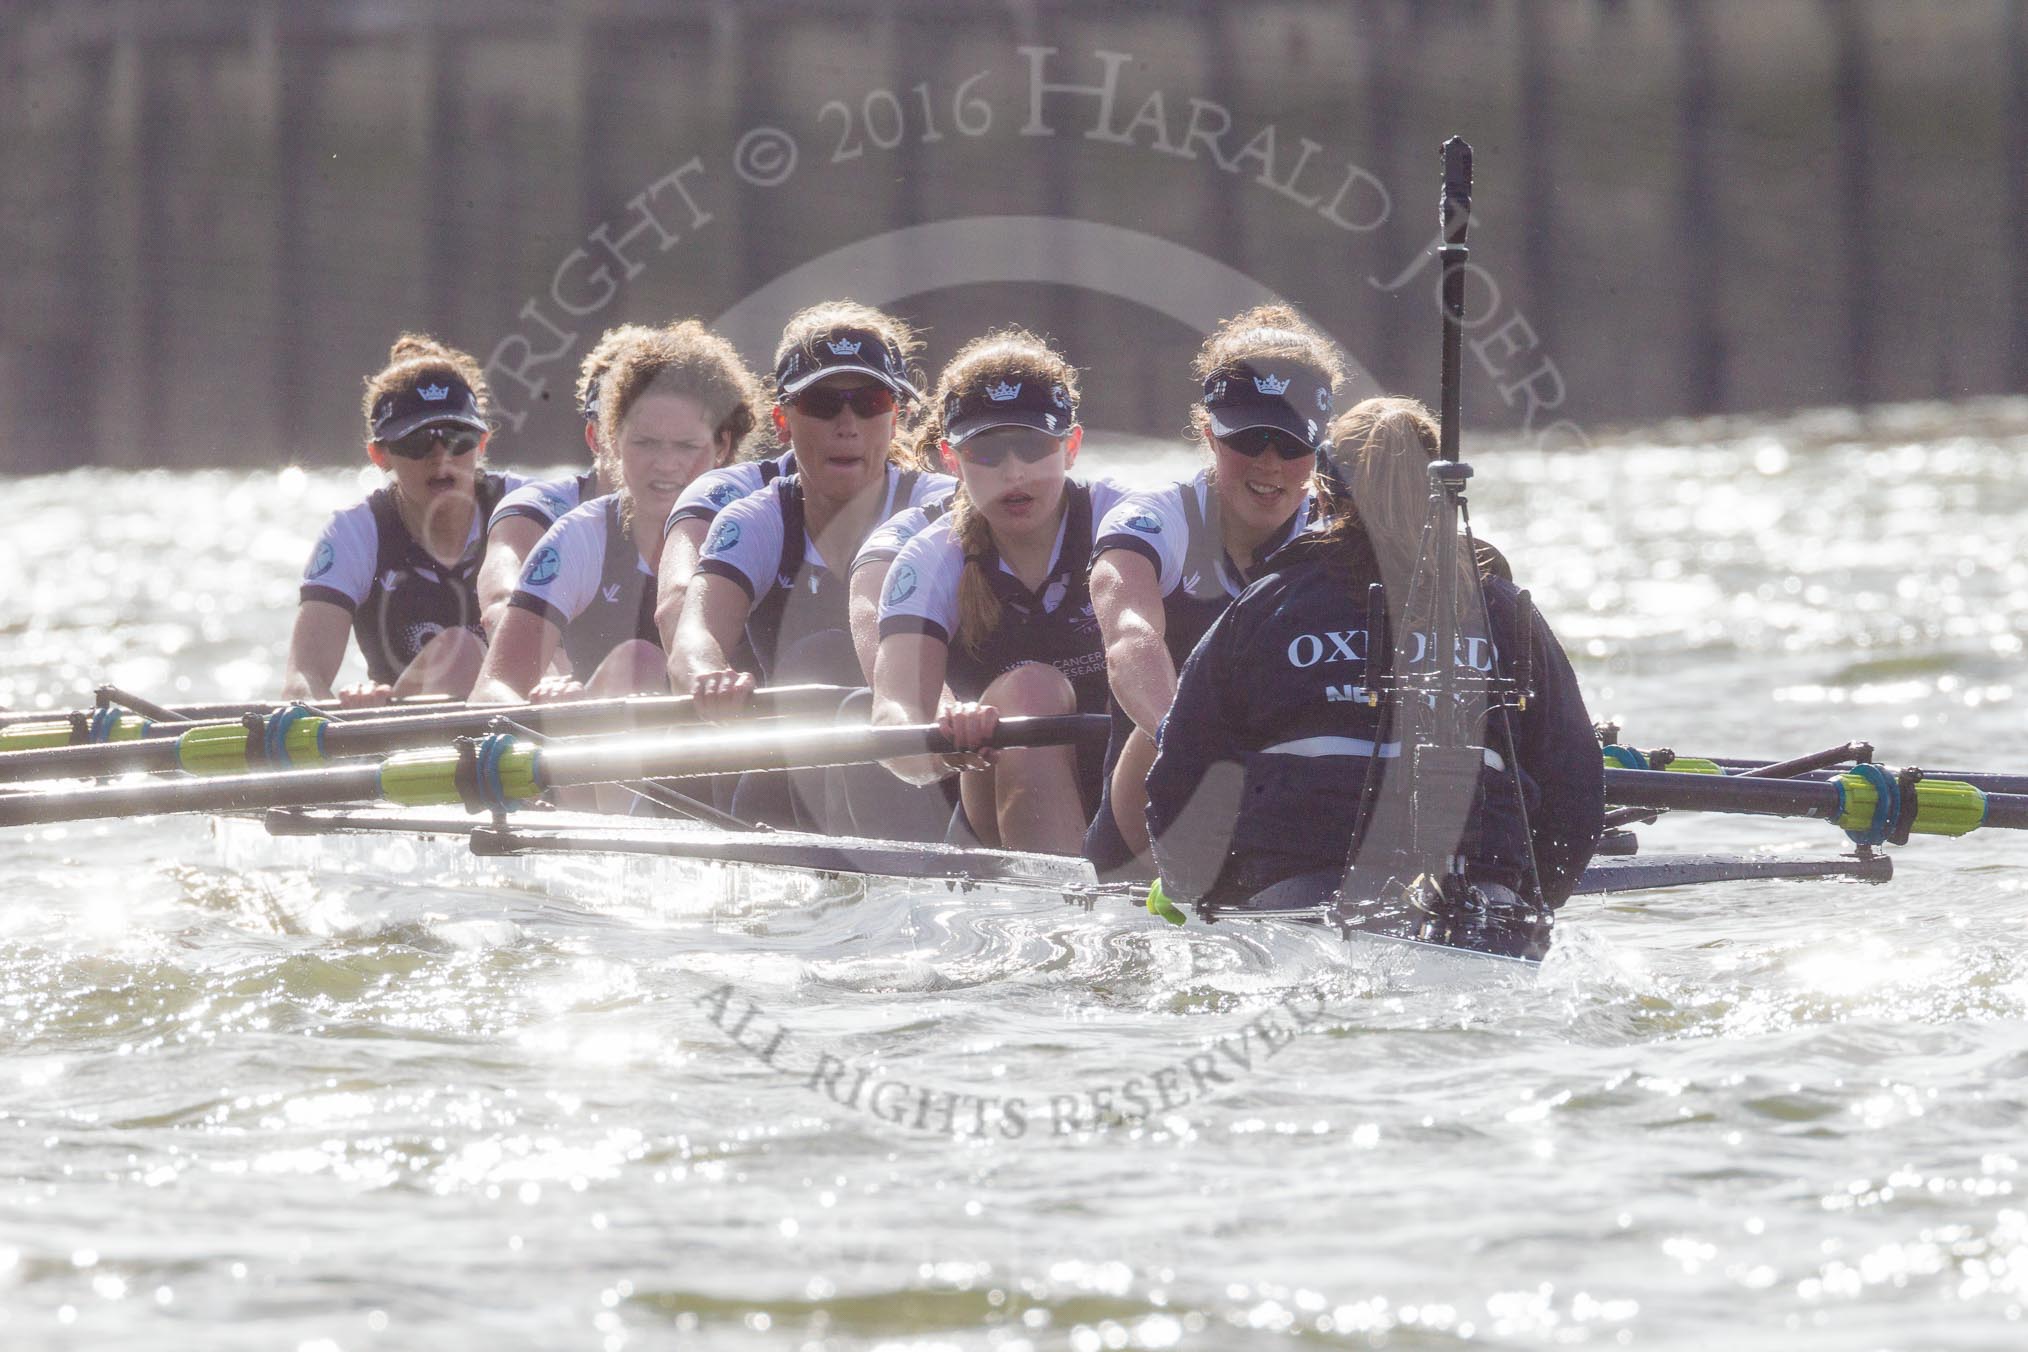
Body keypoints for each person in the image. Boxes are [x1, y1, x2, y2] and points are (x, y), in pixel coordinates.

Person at [1143, 397, 1603, 959]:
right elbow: (1576, 787)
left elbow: (1183, 768)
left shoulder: (1267, 605)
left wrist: (1200, 893)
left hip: (1298, 900)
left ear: (1326, 491)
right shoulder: (1506, 612)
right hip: (1484, 905)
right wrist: (1535, 904)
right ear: (1446, 493)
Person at [667, 301, 952, 826]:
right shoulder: (758, 520)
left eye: (869, 402)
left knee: (825, 659)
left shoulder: (943, 507)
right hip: (786, 774)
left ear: (898, 418)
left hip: (934, 769)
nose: (848, 425)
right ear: (782, 421)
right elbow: (692, 634)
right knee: (817, 661)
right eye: (823, 404)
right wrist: (708, 676)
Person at [1086, 303, 1344, 876]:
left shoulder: (1342, 535)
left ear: (1319, 448)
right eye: (1249, 439)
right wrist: (1188, 739)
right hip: (1156, 798)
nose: (1269, 464)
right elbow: (1131, 639)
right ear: (1210, 435)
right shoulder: (1153, 522)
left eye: (1291, 444)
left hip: (1298, 793)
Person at [867, 331, 1128, 853]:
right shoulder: (931, 557)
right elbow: (893, 719)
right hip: (990, 801)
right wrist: (944, 737)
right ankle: (1069, 914)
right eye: (985, 452)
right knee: (1030, 691)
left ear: (1070, 447)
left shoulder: (1128, 524)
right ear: (950, 458)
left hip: (1131, 786)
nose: (1014, 473)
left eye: (1033, 446)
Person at [471, 321, 763, 704]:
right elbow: (494, 687)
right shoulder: (581, 535)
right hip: (602, 752)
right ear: (611, 442)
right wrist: (537, 709)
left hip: (743, 751)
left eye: (687, 446)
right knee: (638, 663)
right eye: (645, 443)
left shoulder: (761, 524)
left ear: (723, 446)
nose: (665, 464)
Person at [285, 334, 537, 705]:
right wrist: (341, 718)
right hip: (403, 741)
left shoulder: (528, 505)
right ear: (379, 456)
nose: (440, 457)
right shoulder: (356, 534)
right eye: (416, 442)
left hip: (526, 722)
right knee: (461, 652)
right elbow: (303, 680)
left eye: (456, 438)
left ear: (481, 444)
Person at [475, 324, 652, 642]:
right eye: (627, 426)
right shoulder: (535, 510)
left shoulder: (716, 507)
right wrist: (546, 672)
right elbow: (503, 602)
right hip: (552, 680)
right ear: (595, 437)